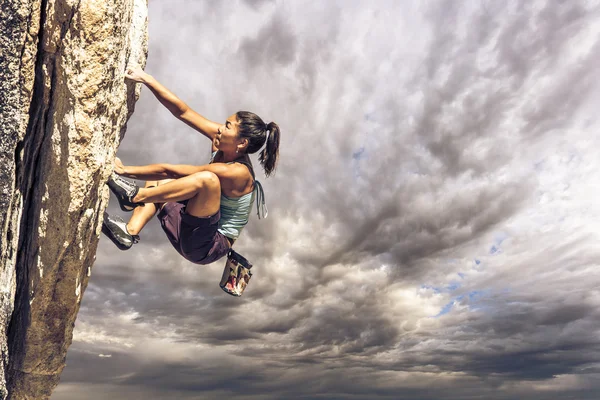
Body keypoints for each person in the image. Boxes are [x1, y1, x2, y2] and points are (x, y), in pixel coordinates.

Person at [102, 66, 280, 265]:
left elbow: (175, 171)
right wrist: (147, 79)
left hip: (208, 245)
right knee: (161, 181)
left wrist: (123, 171)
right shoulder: (222, 141)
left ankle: (134, 197)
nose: (220, 128)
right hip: (188, 225)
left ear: (242, 143)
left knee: (207, 180)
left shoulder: (239, 173)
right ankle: (129, 232)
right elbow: (183, 111)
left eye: (228, 126)